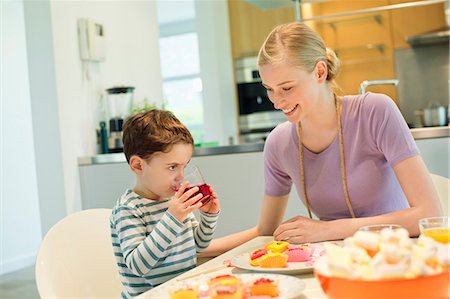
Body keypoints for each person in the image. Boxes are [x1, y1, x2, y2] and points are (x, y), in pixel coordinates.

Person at [201, 22, 442, 256]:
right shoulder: (279, 143)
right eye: (269, 88)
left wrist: (327, 229)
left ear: (319, 72)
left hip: (397, 258)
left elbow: (428, 213)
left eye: (286, 88)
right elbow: (265, 231)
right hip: (334, 262)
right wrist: (194, 250)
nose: (276, 101)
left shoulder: (374, 111)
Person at [110, 109, 220, 298]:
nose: (181, 176)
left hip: (183, 292)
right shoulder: (128, 209)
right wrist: (173, 218)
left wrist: (208, 217)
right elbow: (138, 265)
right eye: (172, 167)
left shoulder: (173, 201)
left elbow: (197, 246)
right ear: (138, 165)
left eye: (184, 166)